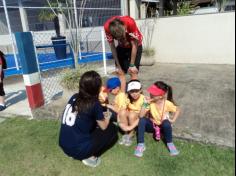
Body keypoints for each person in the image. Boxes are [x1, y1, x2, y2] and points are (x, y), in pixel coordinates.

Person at [59, 71, 118, 167]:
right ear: (96, 88)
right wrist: (108, 116)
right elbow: (103, 126)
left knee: (88, 126)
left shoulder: (74, 97)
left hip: (64, 144)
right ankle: (90, 157)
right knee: (111, 129)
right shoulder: (94, 103)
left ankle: (75, 151)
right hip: (78, 150)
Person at [133, 81, 181, 157]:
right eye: (151, 92)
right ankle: (141, 144)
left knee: (166, 123)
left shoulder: (167, 103)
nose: (151, 94)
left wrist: (173, 120)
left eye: (153, 93)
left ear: (161, 96)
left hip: (162, 127)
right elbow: (141, 115)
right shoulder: (150, 103)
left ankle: (170, 143)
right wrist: (145, 103)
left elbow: (178, 109)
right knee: (142, 120)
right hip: (153, 125)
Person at [104, 16, 143, 80]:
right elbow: (112, 47)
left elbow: (134, 44)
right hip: (121, 47)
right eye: (119, 39)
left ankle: (134, 88)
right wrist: (118, 66)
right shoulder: (107, 28)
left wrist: (132, 65)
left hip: (136, 44)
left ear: (124, 28)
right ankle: (122, 88)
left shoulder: (130, 22)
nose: (122, 39)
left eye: (122, 37)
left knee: (133, 71)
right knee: (120, 71)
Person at [118, 79, 145, 146]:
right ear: (129, 92)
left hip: (140, 118)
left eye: (136, 91)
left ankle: (131, 133)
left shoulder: (144, 99)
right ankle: (126, 133)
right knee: (122, 112)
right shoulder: (127, 98)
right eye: (132, 91)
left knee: (132, 114)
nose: (134, 94)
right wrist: (119, 121)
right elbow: (122, 110)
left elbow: (144, 115)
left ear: (140, 90)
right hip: (130, 116)